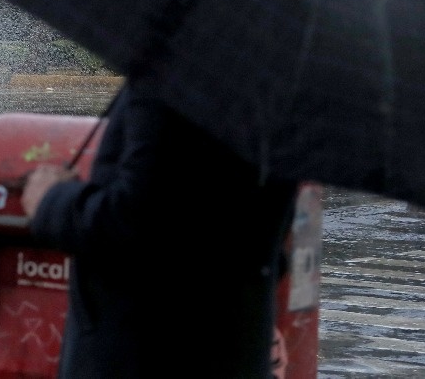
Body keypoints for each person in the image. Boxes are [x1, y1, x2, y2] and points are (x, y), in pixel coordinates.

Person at [21, 67, 299, 378]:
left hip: (146, 351)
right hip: (236, 346)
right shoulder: (285, 85)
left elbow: (137, 219)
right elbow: (270, 238)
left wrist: (50, 199)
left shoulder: (175, 73)